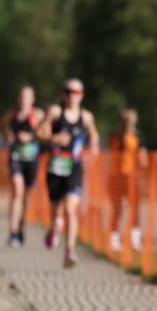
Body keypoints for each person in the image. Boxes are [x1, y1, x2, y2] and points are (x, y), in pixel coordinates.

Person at [37, 78, 100, 268]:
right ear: (63, 94)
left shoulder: (87, 116)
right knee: (56, 209)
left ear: (82, 95)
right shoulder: (55, 112)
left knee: (70, 209)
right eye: (69, 91)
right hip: (56, 166)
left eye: (76, 92)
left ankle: (70, 250)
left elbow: (94, 135)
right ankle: (54, 228)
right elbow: (39, 132)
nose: (72, 96)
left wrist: (93, 149)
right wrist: (53, 137)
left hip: (75, 166)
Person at [3, 86, 44, 247]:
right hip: (16, 157)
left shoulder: (38, 115)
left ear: (32, 99)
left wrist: (32, 136)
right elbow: (1, 126)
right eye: (21, 96)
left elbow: (46, 132)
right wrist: (8, 135)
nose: (24, 99)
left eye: (27, 96)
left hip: (32, 159)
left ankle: (21, 228)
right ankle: (12, 232)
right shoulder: (12, 115)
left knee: (26, 196)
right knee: (17, 191)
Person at [108, 108, 149, 253]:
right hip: (131, 177)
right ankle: (134, 240)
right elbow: (143, 160)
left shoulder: (113, 136)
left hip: (114, 176)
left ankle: (113, 239)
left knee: (117, 209)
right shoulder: (137, 137)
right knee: (135, 209)